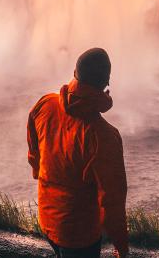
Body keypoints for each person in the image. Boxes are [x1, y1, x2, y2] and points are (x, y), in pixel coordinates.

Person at [27, 48, 129, 258]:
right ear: (106, 83)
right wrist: (121, 245)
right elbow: (113, 201)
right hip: (79, 235)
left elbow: (34, 153)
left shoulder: (45, 104)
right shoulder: (103, 136)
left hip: (47, 218)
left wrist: (41, 174)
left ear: (75, 72)